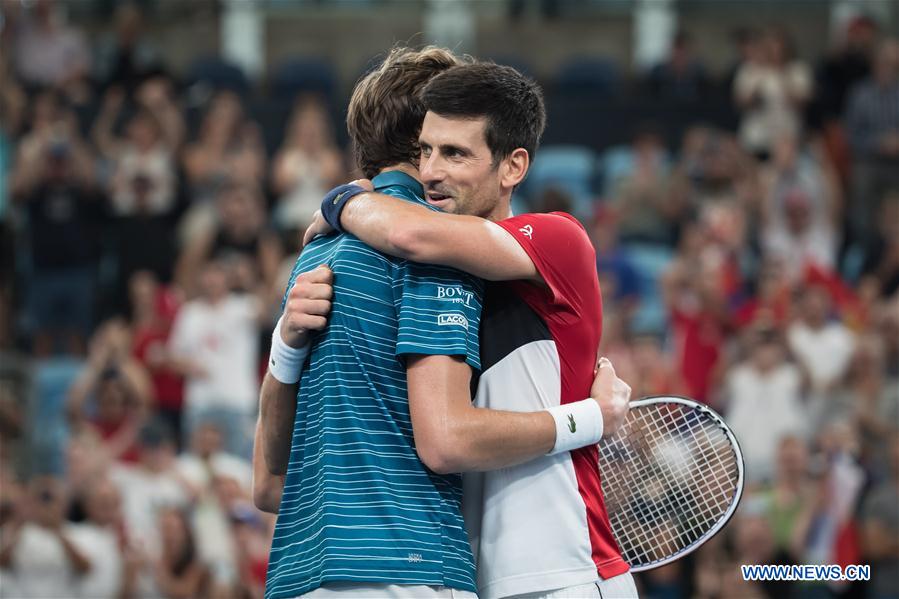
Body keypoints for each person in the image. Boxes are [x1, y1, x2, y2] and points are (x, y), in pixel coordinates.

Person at [259, 48, 631, 599]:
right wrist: (285, 346)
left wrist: (342, 201)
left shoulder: (557, 238)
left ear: (513, 166)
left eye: (455, 154)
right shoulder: (429, 277)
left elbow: (413, 234)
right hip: (472, 577)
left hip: (567, 571)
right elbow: (272, 484)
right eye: (426, 151)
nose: (432, 173)